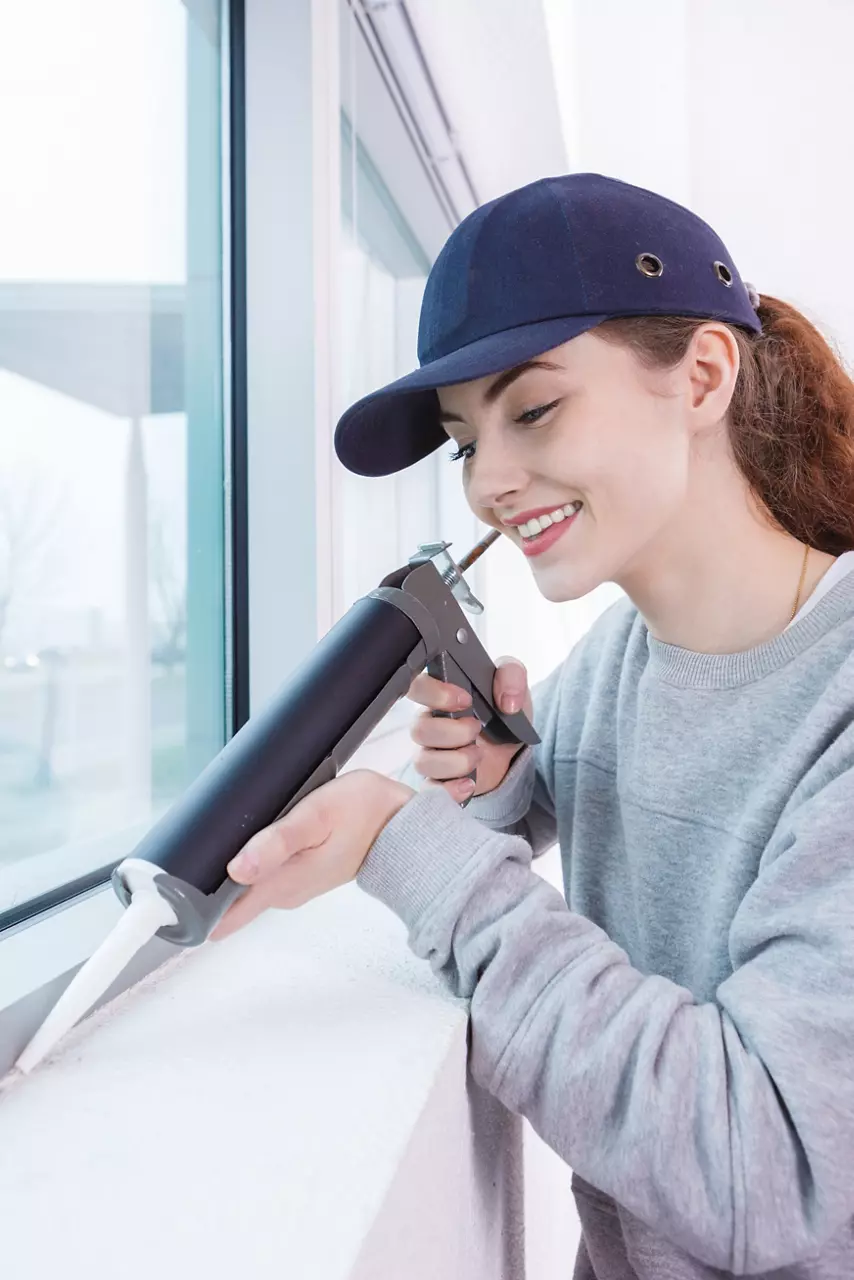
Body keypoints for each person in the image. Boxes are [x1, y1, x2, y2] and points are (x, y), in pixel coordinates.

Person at [212, 174, 854, 1279]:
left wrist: (410, 848)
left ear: (703, 374)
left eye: (534, 409)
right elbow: (586, 786)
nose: (489, 485)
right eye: (463, 442)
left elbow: (771, 1167)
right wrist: (506, 784)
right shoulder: (617, 656)